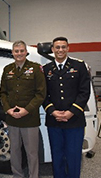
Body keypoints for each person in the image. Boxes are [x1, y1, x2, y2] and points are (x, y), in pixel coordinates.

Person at [42, 37, 90, 178]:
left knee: (73, 156)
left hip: (74, 120)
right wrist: (52, 111)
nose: (60, 50)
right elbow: (43, 94)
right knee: (57, 156)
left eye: (63, 47)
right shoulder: (46, 69)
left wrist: (71, 112)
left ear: (68, 48)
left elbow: (84, 92)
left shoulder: (79, 66)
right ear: (52, 50)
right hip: (54, 121)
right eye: (57, 47)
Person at [0, 40, 46, 178]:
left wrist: (27, 110)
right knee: (14, 150)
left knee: (31, 152)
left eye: (21, 51)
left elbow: (40, 94)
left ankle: (33, 176)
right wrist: (8, 110)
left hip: (30, 119)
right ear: (12, 53)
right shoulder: (7, 69)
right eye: (16, 51)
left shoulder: (36, 68)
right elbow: (3, 93)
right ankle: (17, 175)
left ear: (26, 52)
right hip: (12, 118)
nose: (19, 54)